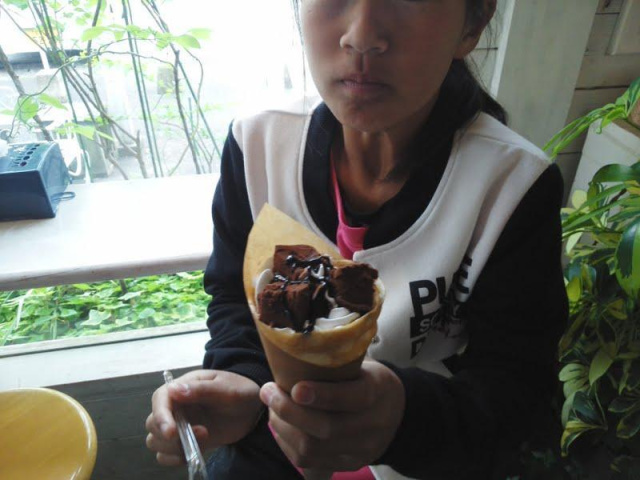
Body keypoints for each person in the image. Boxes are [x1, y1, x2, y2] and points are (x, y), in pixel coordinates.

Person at [145, 0, 568, 478]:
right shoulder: (256, 147)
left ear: (471, 25)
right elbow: (234, 297)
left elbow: (518, 391)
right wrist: (241, 378)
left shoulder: (511, 188)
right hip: (273, 437)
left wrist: (404, 418)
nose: (361, 35)